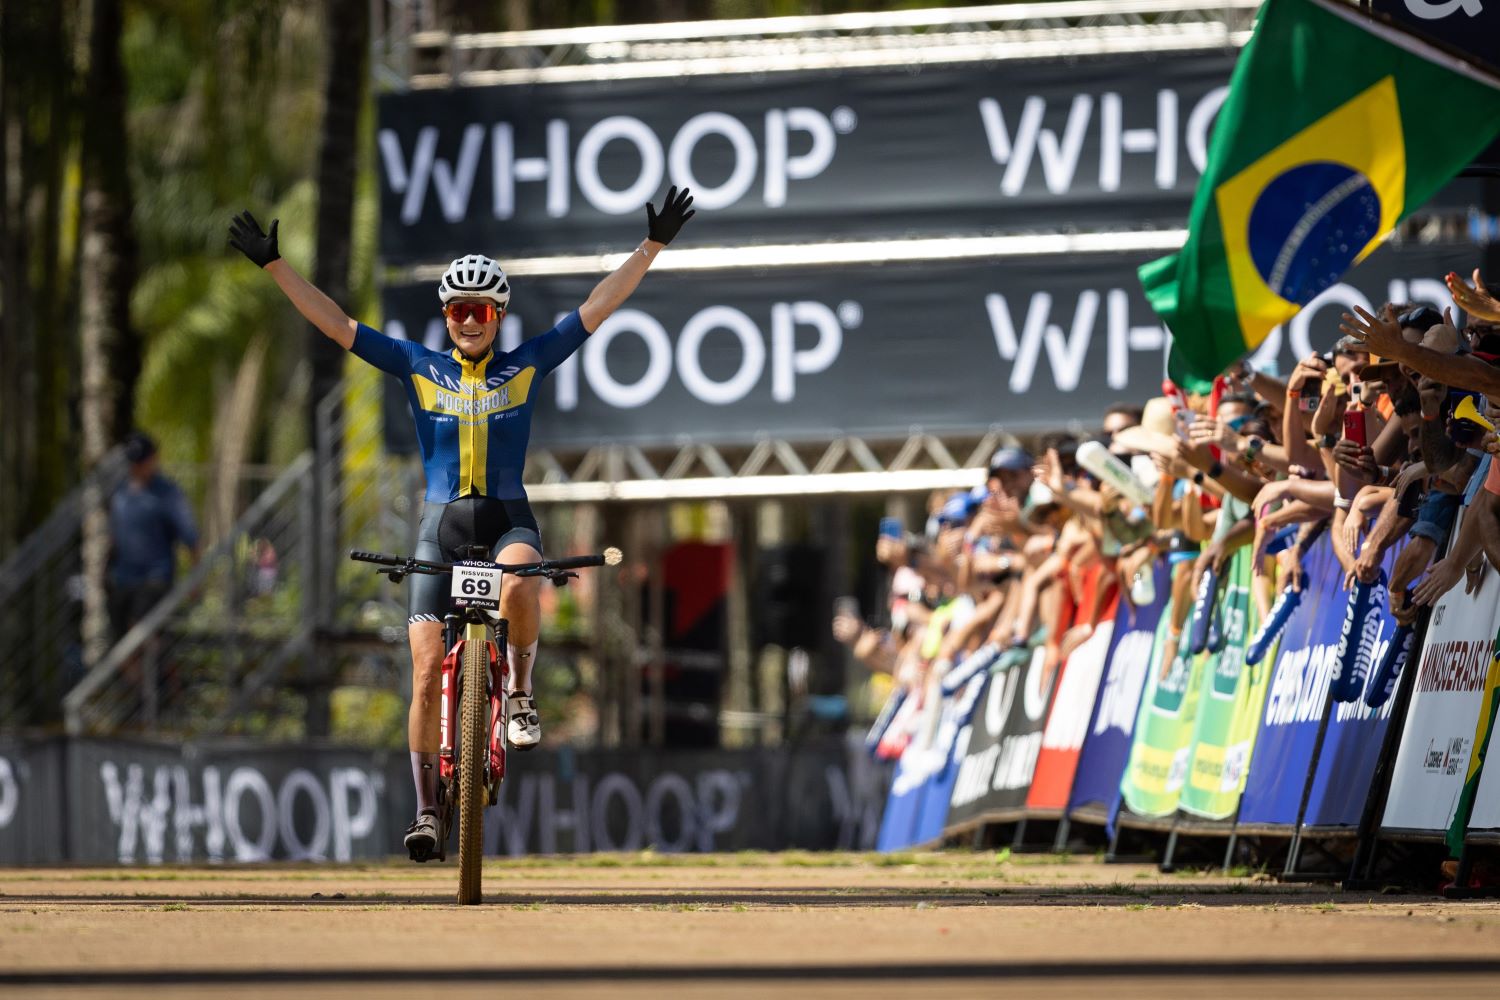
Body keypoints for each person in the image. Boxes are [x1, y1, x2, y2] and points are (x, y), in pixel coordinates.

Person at [229, 186, 696, 860]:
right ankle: (425, 813)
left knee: (519, 586)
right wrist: (276, 266)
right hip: (439, 525)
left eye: (479, 310)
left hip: (508, 517)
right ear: (445, 317)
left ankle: (521, 692)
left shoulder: (526, 363)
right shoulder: (418, 366)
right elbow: (338, 326)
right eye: (456, 310)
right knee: (422, 674)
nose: (467, 321)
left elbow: (595, 308)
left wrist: (651, 246)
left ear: (498, 315)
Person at [107, 431, 199, 642]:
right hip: (123, 579)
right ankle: (142, 675)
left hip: (154, 579)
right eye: (134, 462)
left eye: (142, 461)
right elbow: (114, 535)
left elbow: (191, 538)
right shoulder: (120, 492)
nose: (137, 467)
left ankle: (151, 671)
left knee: (138, 633)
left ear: (153, 458)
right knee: (118, 639)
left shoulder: (168, 494)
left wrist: (195, 581)